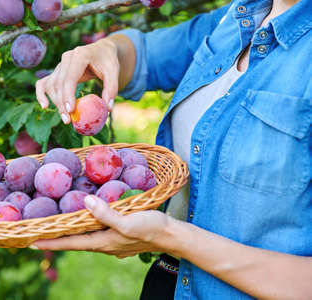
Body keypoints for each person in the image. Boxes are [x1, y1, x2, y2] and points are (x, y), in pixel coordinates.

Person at [32, 0, 312, 299]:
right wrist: (104, 52)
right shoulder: (242, 15)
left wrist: (170, 237)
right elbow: (144, 55)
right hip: (169, 283)